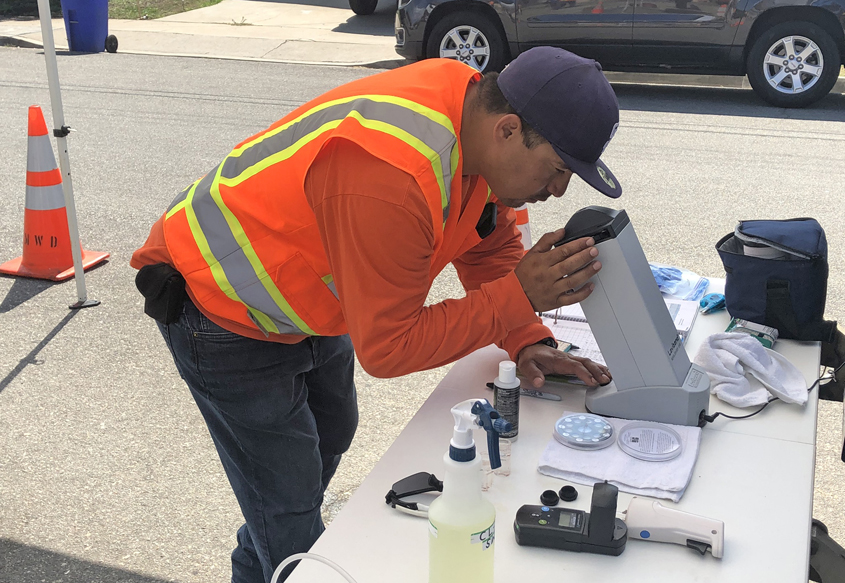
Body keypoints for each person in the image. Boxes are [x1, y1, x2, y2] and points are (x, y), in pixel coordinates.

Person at [132, 46, 621, 582]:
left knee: (328, 438)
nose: (558, 190)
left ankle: (260, 559)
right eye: (556, 169)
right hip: (220, 306)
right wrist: (518, 297)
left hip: (309, 297)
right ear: (508, 130)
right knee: (289, 504)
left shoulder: (474, 114)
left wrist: (526, 336)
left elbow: (487, 243)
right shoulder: (395, 173)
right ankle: (278, 551)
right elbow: (388, 349)